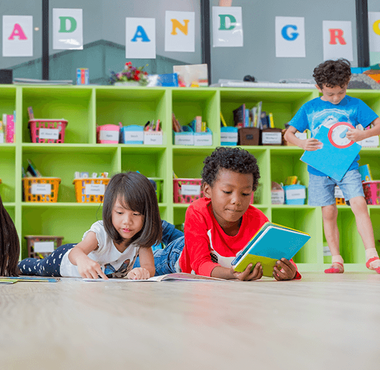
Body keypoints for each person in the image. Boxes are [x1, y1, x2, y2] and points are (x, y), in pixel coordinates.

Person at [284, 58, 380, 274]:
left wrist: (364, 133)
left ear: (347, 83)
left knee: (359, 204)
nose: (336, 98)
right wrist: (302, 142)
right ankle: (336, 259)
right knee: (328, 211)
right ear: (319, 87)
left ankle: (372, 256)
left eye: (341, 91)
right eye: (330, 94)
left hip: (348, 166)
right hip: (318, 168)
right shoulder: (309, 107)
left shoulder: (355, 105)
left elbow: (378, 125)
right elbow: (288, 133)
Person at [155, 147, 300, 281]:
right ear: (207, 190)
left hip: (197, 239)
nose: (236, 201)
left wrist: (290, 272)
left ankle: (164, 228)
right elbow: (199, 264)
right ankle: (157, 226)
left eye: (245, 193)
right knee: (138, 265)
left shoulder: (259, 220)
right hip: (175, 256)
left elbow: (284, 259)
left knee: (184, 238)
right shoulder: (197, 211)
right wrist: (232, 274)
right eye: (227, 192)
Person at [19, 172, 161, 279]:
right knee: (38, 267)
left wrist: (144, 272)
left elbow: (149, 267)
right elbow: (76, 252)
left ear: (147, 215)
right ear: (109, 210)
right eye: (119, 212)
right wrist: (82, 260)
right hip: (63, 261)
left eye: (135, 214)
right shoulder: (100, 232)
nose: (127, 221)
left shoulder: (140, 238)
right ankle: (16, 265)